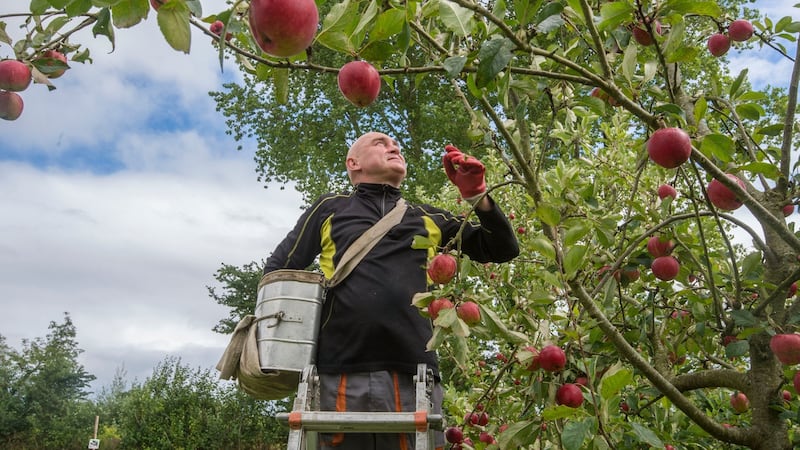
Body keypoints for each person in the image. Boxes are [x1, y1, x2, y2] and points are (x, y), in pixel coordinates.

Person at [262, 131, 519, 449]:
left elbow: (502, 248)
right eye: (380, 143)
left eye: (395, 145)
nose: (393, 146)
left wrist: (478, 196)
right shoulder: (330, 209)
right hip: (339, 371)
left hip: (413, 373)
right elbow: (277, 272)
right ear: (353, 163)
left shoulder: (427, 217)